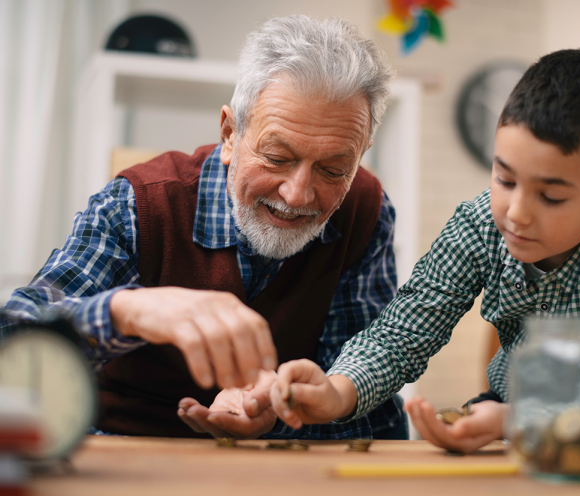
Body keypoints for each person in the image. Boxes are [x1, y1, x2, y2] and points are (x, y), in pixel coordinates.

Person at [0, 16, 408, 440]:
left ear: (361, 154)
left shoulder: (365, 210)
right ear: (230, 133)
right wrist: (128, 312)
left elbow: (368, 406)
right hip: (126, 456)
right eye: (277, 157)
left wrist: (280, 414)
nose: (298, 194)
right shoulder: (139, 205)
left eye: (333, 169)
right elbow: (13, 341)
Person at [270, 49, 580, 452]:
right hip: (511, 405)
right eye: (504, 179)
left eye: (551, 196)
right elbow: (404, 331)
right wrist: (337, 391)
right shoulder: (479, 222)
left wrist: (515, 421)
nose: (516, 214)